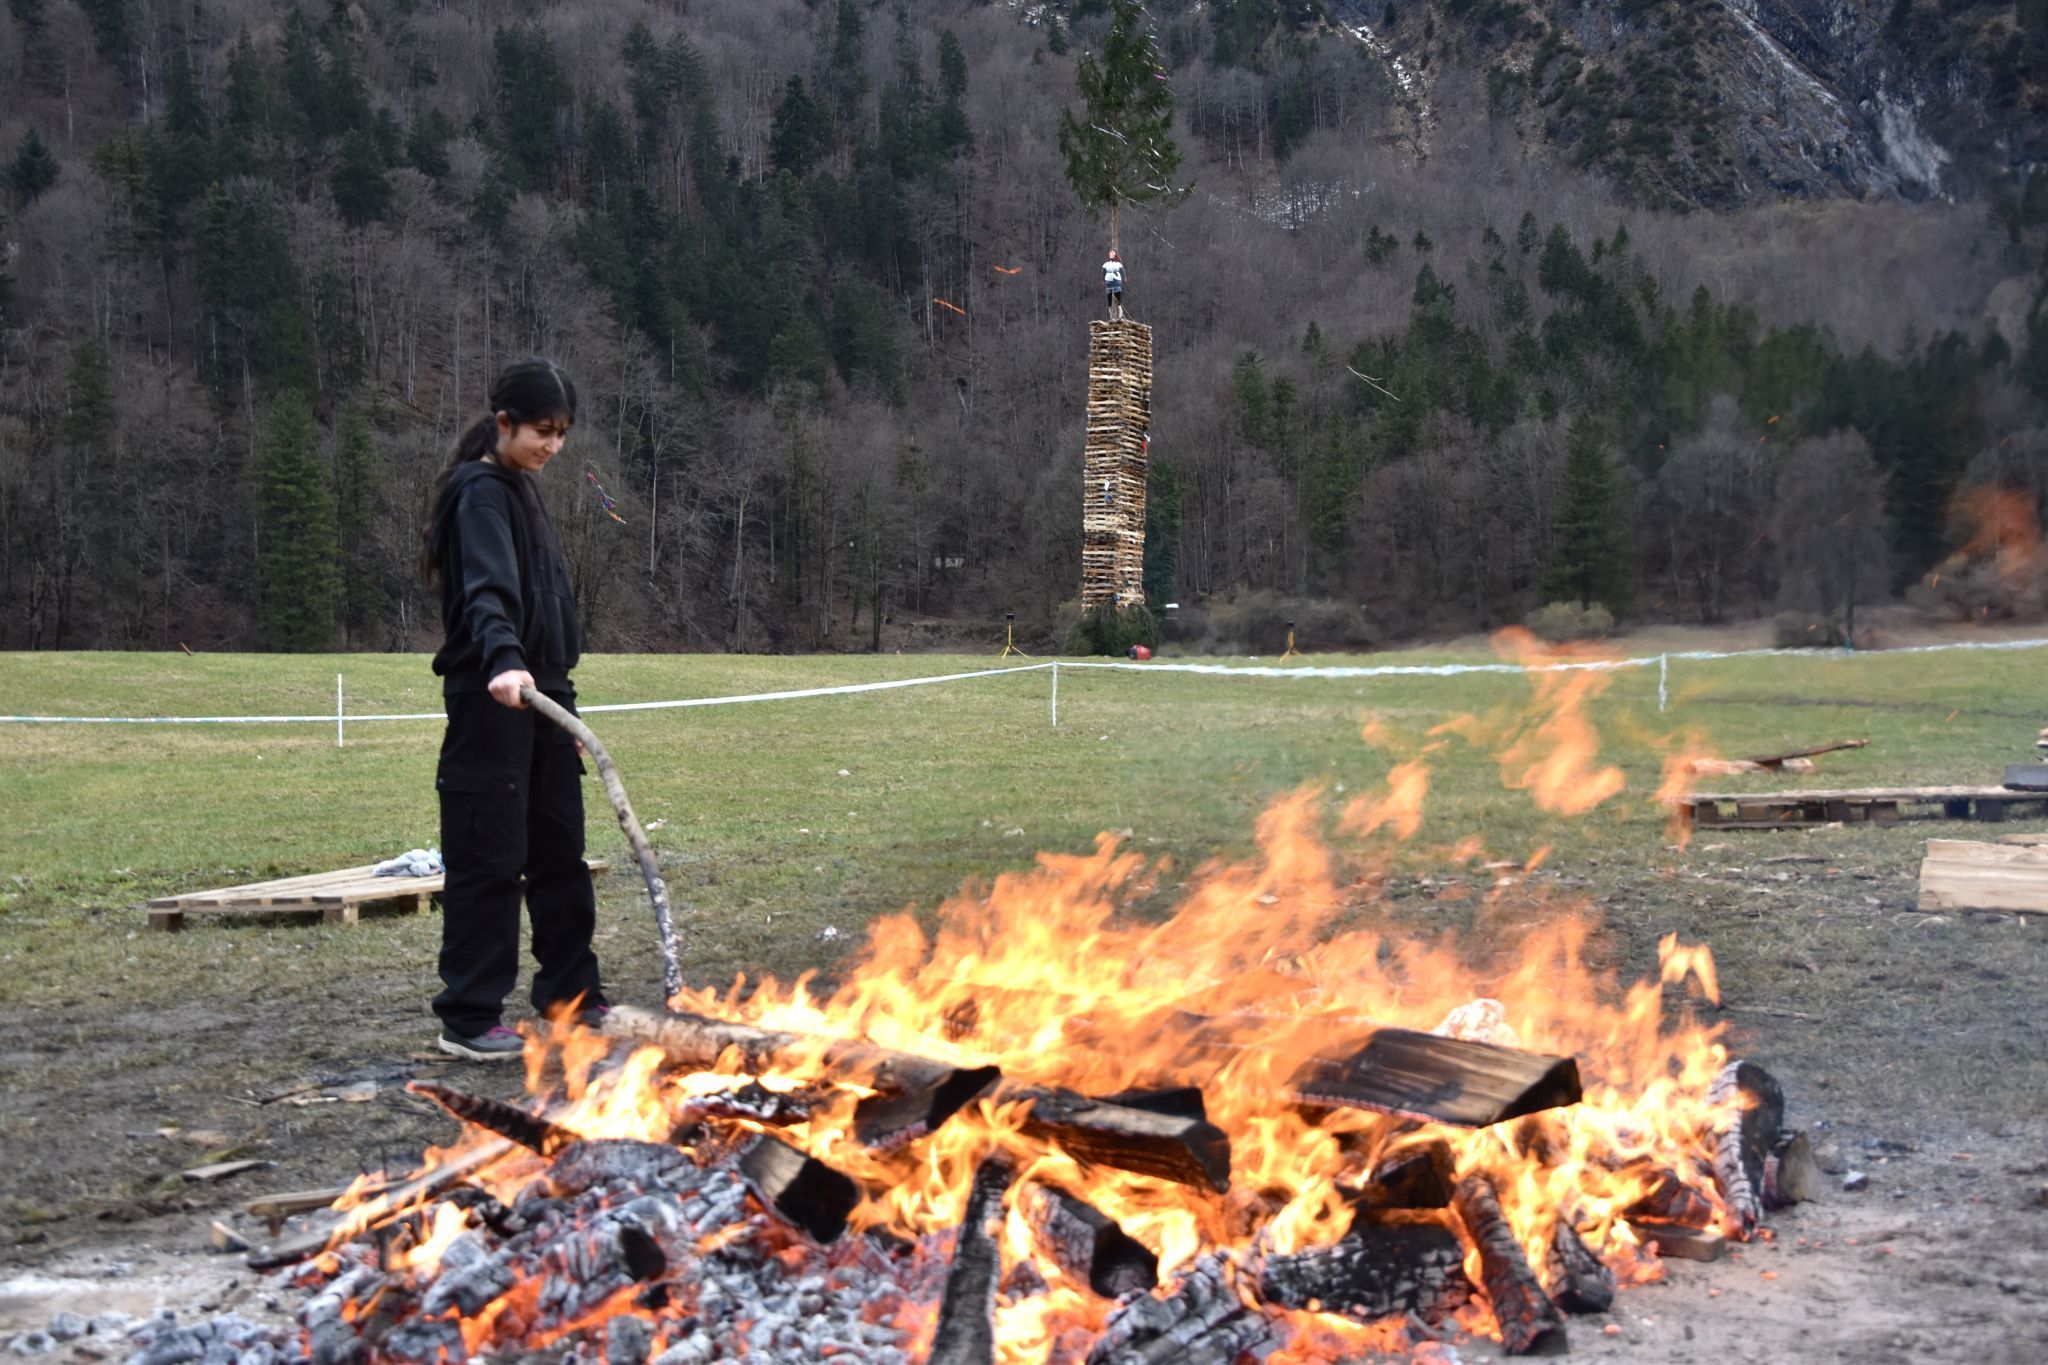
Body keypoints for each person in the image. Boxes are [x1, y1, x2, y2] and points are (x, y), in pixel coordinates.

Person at [419, 358, 609, 1061]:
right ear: (504, 422)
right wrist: (501, 659)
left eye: (561, 433)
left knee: (560, 851)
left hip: (542, 697)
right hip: (492, 696)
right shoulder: (479, 493)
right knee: (489, 856)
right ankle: (469, 1016)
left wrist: (564, 710)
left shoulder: (523, 489)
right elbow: (487, 591)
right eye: (541, 431)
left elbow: (546, 614)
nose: (552, 446)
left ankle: (571, 996)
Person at [1103, 249, 1124, 318]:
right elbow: (1103, 272)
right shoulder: (1107, 264)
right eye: (1110, 252)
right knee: (1109, 296)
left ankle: (1120, 310)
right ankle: (1111, 313)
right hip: (1109, 282)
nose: (1111, 253)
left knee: (1117, 295)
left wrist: (1124, 277)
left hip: (1116, 281)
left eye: (1113, 252)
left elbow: (1122, 271)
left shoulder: (1118, 264)